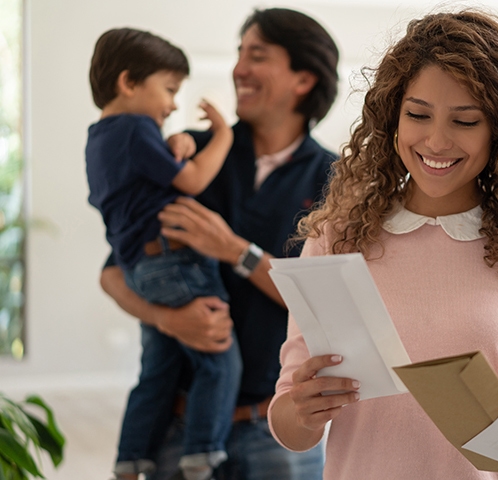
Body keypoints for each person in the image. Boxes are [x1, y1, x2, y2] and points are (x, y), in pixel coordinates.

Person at [268, 9, 498, 480]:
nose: (436, 141)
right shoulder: (336, 237)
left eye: (465, 121)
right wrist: (300, 411)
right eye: (418, 115)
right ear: (392, 118)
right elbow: (290, 424)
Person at [99, 8, 339, 480]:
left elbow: (328, 308)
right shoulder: (187, 153)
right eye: (238, 54)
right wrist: (167, 318)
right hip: (179, 430)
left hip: (281, 436)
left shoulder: (338, 181)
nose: (239, 69)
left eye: (257, 55)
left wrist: (234, 250)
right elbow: (113, 273)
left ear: (304, 79)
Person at [86, 28, 240, 480]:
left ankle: (131, 457)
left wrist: (177, 144)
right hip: (176, 261)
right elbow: (191, 182)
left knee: (158, 367)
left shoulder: (101, 137)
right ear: (128, 82)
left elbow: (148, 180)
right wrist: (222, 137)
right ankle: (202, 455)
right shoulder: (136, 127)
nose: (173, 104)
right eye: (169, 89)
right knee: (219, 356)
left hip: (139, 266)